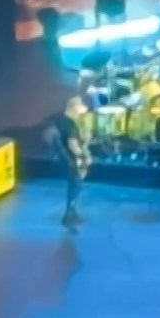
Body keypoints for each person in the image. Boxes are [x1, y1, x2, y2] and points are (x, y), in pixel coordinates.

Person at [45, 97, 90, 230]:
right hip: (70, 159)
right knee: (76, 184)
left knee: (74, 184)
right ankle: (69, 214)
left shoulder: (60, 119)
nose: (82, 110)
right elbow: (72, 144)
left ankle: (72, 212)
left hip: (61, 157)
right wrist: (82, 156)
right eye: (80, 107)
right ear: (74, 108)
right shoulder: (71, 125)